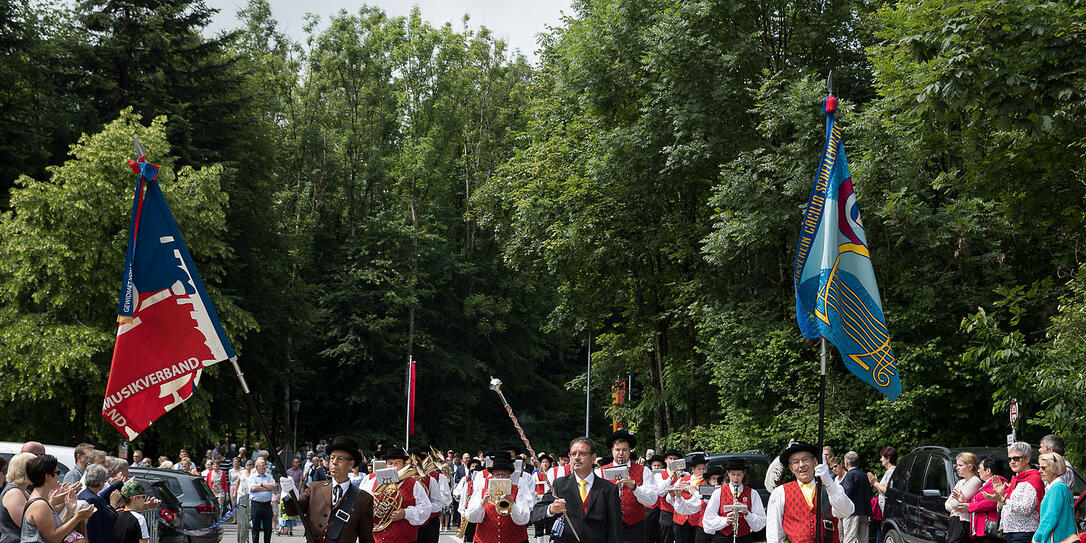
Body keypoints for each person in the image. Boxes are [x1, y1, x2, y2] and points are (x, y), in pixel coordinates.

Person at [530, 437, 621, 543]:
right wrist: (551, 509)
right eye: (573, 454)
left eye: (582, 454)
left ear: (593, 457)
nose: (577, 458)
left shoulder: (609, 489)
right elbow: (536, 513)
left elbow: (615, 529)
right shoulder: (559, 485)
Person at [765, 441, 854, 543]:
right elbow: (774, 534)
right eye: (796, 462)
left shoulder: (831, 488)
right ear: (791, 468)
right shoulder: (780, 493)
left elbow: (847, 511)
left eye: (805, 459)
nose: (801, 465)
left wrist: (829, 483)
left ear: (815, 462)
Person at [595, 431, 659, 543]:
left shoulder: (643, 471)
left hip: (634, 527)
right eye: (617, 450)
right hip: (608, 526)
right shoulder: (600, 472)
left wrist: (634, 487)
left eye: (624, 450)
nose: (621, 453)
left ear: (630, 450)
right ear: (612, 451)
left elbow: (652, 500)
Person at [359, 445, 432, 543]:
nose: (393, 466)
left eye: (397, 463)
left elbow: (426, 509)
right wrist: (369, 501)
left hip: (405, 539)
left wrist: (405, 513)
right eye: (390, 463)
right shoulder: (372, 481)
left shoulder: (415, 484)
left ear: (404, 465)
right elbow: (357, 503)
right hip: (375, 539)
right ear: (386, 465)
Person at [22, 455, 95, 543]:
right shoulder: (39, 504)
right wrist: (78, 517)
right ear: (48, 476)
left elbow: (57, 529)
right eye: (58, 472)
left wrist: (69, 511)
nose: (58, 477)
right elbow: (53, 538)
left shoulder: (41, 500)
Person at [465, 451, 533, 543]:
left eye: (504, 474)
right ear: (492, 476)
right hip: (485, 539)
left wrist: (512, 503)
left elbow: (524, 519)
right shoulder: (482, 490)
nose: (500, 477)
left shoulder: (517, 490)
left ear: (509, 476)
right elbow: (471, 517)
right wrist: (482, 502)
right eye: (497, 474)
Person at [986, 442, 1044, 543]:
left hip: (1025, 533)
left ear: (1027, 459)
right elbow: (1002, 507)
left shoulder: (1033, 479)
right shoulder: (1016, 479)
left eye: (1016, 458)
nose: (1012, 462)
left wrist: (1002, 499)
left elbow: (1025, 509)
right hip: (1011, 533)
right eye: (1009, 459)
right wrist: (1000, 496)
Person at [702, 458, 766, 543]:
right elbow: (708, 520)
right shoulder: (718, 493)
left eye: (739, 474)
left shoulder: (752, 493)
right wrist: (725, 521)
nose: (736, 478)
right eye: (733, 474)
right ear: (728, 473)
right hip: (722, 538)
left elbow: (761, 522)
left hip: (744, 538)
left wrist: (747, 513)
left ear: (744, 473)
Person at [1033, 453, 1074, 543]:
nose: (1039, 471)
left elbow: (1051, 516)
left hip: (1057, 538)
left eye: (1043, 468)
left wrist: (1037, 537)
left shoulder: (1057, 487)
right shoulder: (1059, 487)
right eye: (1039, 467)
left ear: (1054, 468)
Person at [667, 455, 708, 543]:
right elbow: (670, 501)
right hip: (680, 521)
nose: (702, 472)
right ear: (693, 470)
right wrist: (672, 494)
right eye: (699, 469)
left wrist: (691, 489)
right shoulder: (683, 479)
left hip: (697, 522)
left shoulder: (707, 483)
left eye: (704, 469)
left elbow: (703, 499)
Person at [965, 456, 1006, 543]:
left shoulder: (998, 481)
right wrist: (965, 502)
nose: (978, 471)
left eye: (980, 468)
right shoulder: (987, 484)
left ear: (988, 470)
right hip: (983, 531)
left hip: (989, 531)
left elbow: (992, 502)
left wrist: (970, 506)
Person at [944, 453, 982, 543]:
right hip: (956, 521)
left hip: (964, 522)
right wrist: (954, 508)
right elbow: (947, 504)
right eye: (957, 465)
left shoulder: (975, 481)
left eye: (960, 465)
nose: (957, 468)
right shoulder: (960, 482)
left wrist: (954, 507)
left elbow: (955, 504)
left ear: (970, 467)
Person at [2, 452, 36, 542]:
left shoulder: (23, 491)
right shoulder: (14, 493)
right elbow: (28, 525)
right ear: (25, 470)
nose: (39, 471)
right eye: (36, 468)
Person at [80, 464, 119, 543]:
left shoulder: (85, 494)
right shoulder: (92, 499)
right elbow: (105, 523)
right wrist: (113, 504)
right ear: (101, 483)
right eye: (105, 481)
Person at [866, 446, 897, 543]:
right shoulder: (890, 471)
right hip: (884, 509)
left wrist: (875, 483)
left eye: (882, 457)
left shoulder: (891, 471)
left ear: (888, 458)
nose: (880, 459)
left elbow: (887, 491)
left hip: (887, 510)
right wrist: (874, 483)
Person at [840, 451, 872, 543]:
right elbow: (870, 493)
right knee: (864, 540)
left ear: (846, 463)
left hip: (852, 513)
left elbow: (846, 493)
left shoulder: (850, 475)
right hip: (865, 512)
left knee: (850, 539)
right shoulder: (863, 475)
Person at [248, 458, 277, 543]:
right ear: (256, 467)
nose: (265, 467)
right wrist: (266, 487)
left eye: (265, 465)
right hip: (256, 505)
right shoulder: (252, 477)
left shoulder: (269, 476)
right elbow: (253, 488)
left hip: (267, 505)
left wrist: (260, 485)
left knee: (268, 528)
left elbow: (273, 486)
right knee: (255, 528)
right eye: (262, 465)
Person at [644, 454, 666, 543]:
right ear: (651, 466)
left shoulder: (666, 476)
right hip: (650, 509)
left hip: (662, 509)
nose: (656, 467)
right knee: (649, 534)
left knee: (661, 535)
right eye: (654, 465)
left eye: (658, 465)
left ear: (662, 466)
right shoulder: (647, 476)